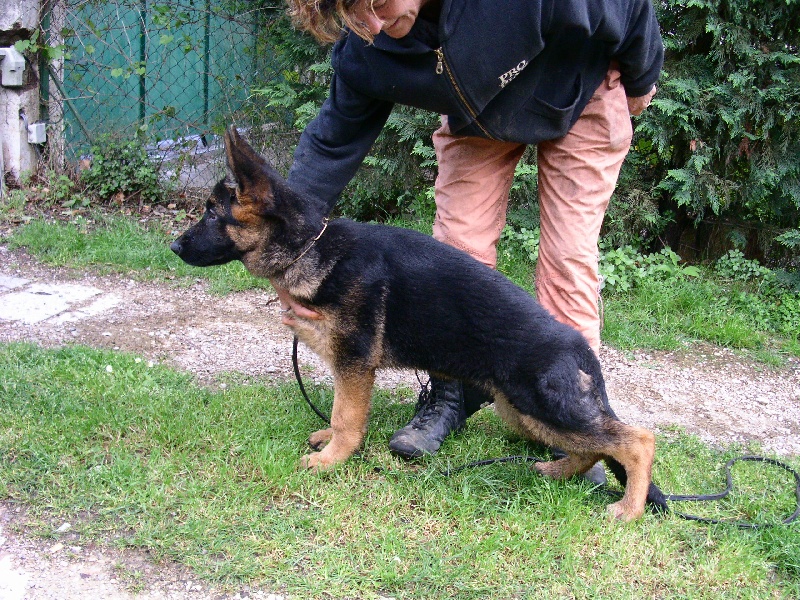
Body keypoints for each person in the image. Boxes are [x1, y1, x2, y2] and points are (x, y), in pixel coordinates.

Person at [280, 0, 664, 462]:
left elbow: (618, 4)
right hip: (479, 115)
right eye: (356, 16)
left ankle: (576, 420)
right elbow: (330, 142)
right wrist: (290, 247)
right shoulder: (367, 46)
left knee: (567, 257)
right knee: (459, 243)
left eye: (379, 3)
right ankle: (453, 396)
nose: (375, 25)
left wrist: (642, 76)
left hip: (578, 90)